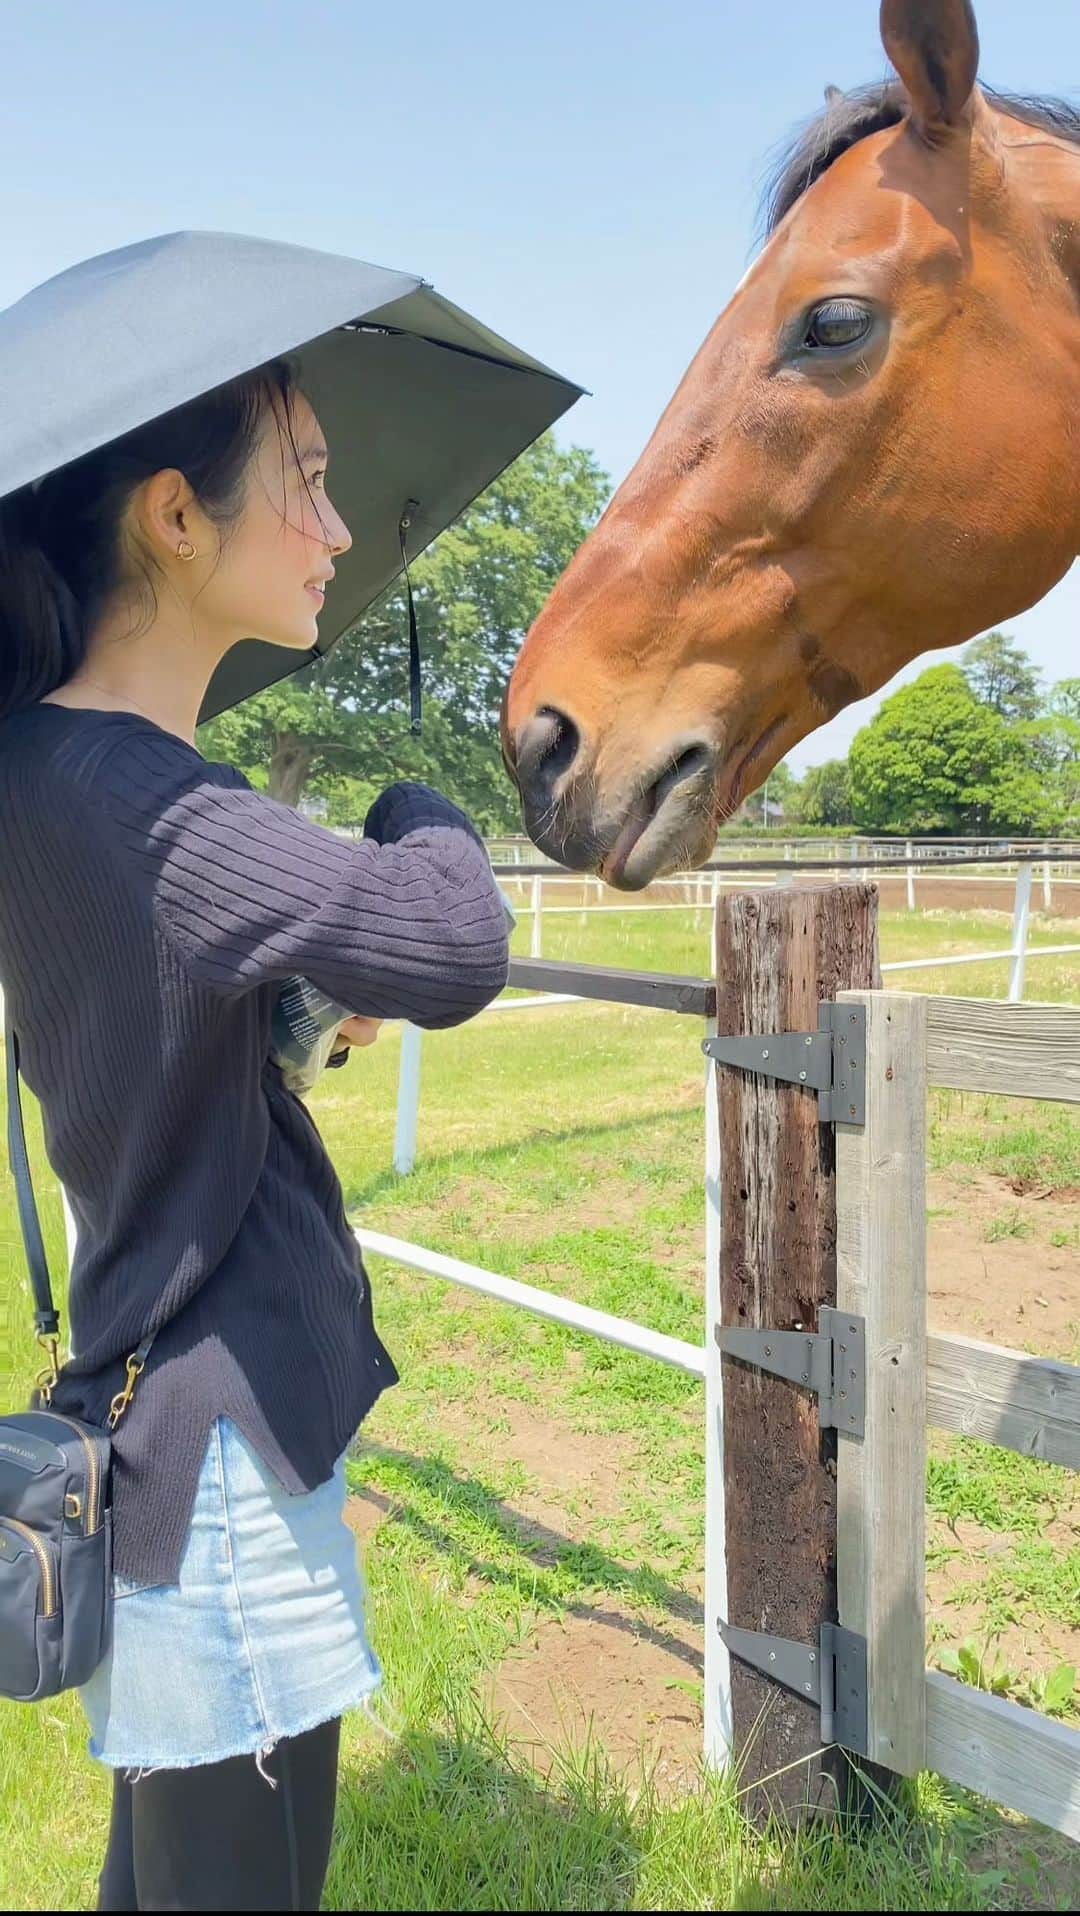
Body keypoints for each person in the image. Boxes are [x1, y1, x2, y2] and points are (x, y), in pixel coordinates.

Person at [0, 358, 510, 1910]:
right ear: (171, 516)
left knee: (162, 1876)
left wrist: (285, 1024)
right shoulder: (152, 802)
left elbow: (151, 1044)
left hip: (162, 1412)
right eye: (305, 476)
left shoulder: (46, 768)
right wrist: (427, 803)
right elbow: (452, 944)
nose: (341, 528)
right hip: (210, 1452)